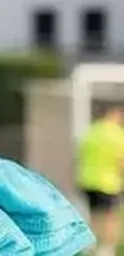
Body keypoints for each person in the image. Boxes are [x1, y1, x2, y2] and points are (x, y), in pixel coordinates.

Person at [76, 105, 124, 256]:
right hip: (108, 182)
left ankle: (92, 245)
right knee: (110, 216)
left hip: (88, 180)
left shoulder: (91, 132)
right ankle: (107, 249)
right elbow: (120, 159)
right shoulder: (116, 133)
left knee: (94, 214)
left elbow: (81, 154)